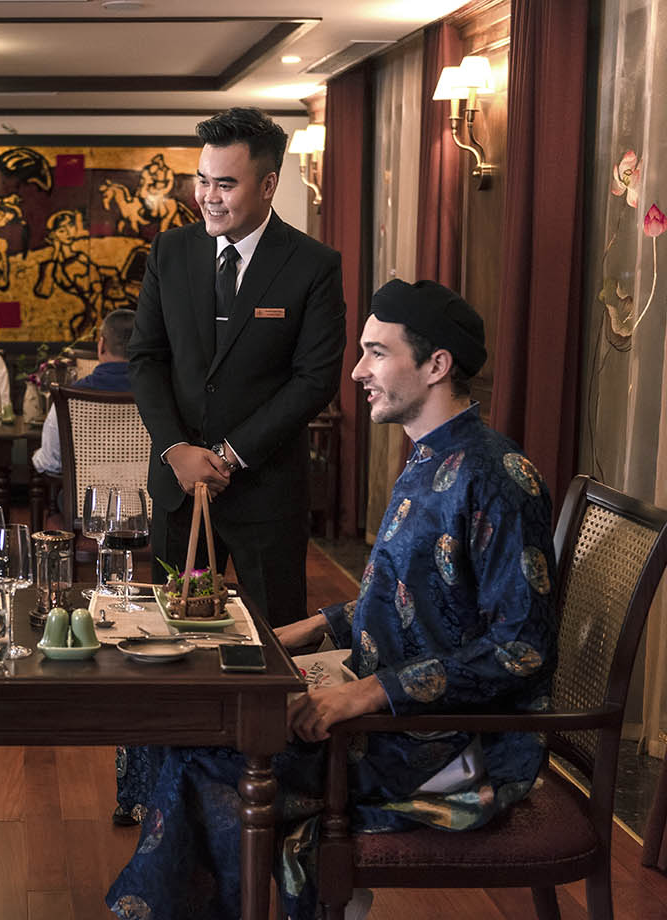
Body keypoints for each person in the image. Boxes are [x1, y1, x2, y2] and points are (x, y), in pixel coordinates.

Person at [107, 280, 559, 920]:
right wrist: (300, 629)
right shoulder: (430, 458)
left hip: (442, 740)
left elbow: (522, 650)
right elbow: (410, 595)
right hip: (389, 707)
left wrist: (366, 694)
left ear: (436, 365)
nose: (356, 371)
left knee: (204, 750)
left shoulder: (496, 478)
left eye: (377, 352)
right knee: (181, 717)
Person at [129, 106, 345, 628]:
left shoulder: (313, 264)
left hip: (267, 492)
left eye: (225, 184)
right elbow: (147, 358)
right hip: (179, 489)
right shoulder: (170, 251)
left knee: (274, 638)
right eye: (203, 180)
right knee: (175, 633)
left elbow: (314, 380)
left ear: (268, 185)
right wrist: (176, 450)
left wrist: (228, 455)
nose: (208, 196)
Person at [31, 307, 135, 482]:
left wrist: (36, 457)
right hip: (148, 497)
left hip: (86, 497)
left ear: (101, 345)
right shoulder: (162, 396)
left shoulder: (70, 397)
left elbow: (51, 462)